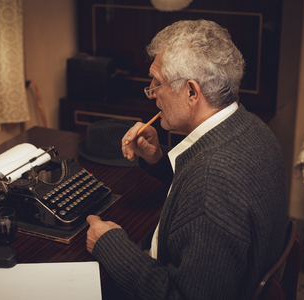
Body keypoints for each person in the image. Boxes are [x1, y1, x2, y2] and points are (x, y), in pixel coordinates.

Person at [86, 19, 287, 299]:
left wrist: (110, 245)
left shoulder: (212, 182)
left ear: (191, 92)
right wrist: (157, 160)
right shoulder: (251, 127)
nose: (152, 93)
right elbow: (204, 195)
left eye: (158, 82)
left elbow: (183, 295)